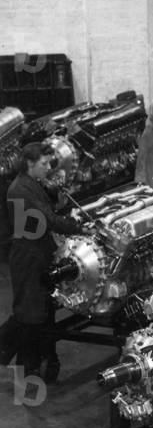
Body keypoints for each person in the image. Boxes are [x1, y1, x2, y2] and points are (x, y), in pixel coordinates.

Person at [0, 143, 84, 382]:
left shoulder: (32, 184)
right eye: (44, 164)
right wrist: (78, 227)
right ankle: (23, 364)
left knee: (40, 315)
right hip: (28, 258)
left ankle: (36, 364)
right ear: (29, 163)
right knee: (28, 316)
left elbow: (52, 208)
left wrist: (59, 191)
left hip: (40, 254)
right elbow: (48, 219)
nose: (48, 168)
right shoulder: (20, 189)